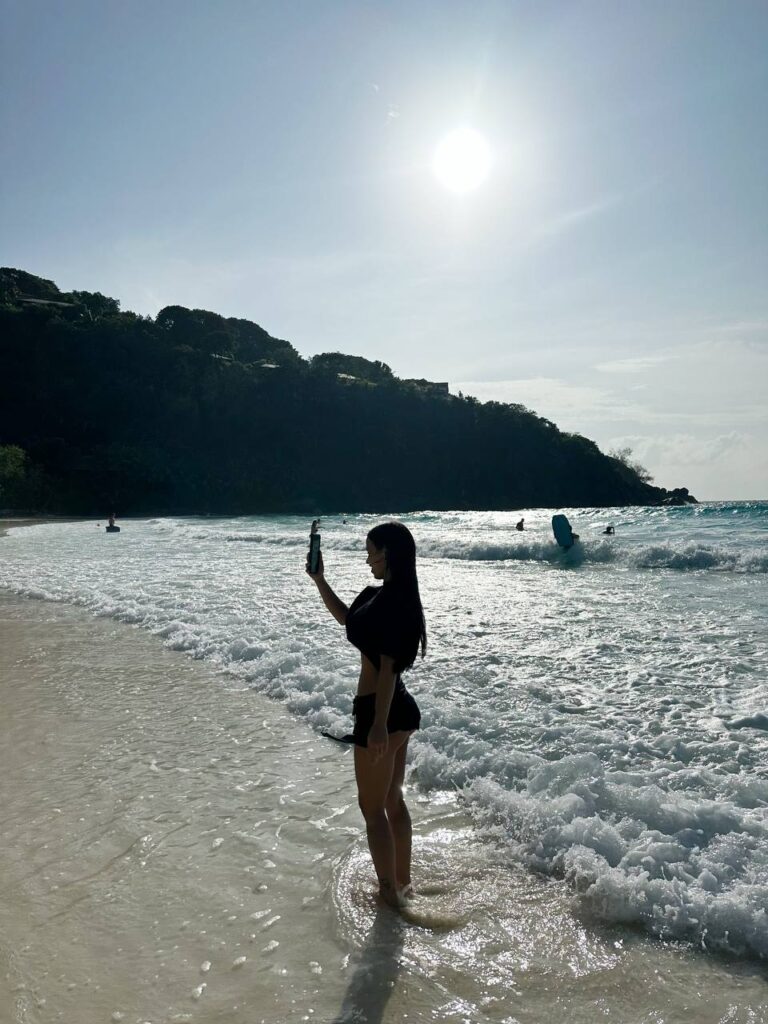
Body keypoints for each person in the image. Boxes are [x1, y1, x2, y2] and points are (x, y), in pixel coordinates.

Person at [307, 521, 426, 908]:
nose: (367, 559)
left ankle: (389, 893)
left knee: (372, 809)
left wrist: (376, 726)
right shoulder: (382, 597)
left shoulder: (392, 603)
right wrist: (320, 581)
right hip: (399, 711)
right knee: (392, 801)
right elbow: (348, 619)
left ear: (387, 553)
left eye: (371, 551)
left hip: (382, 713)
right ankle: (403, 884)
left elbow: (388, 668)